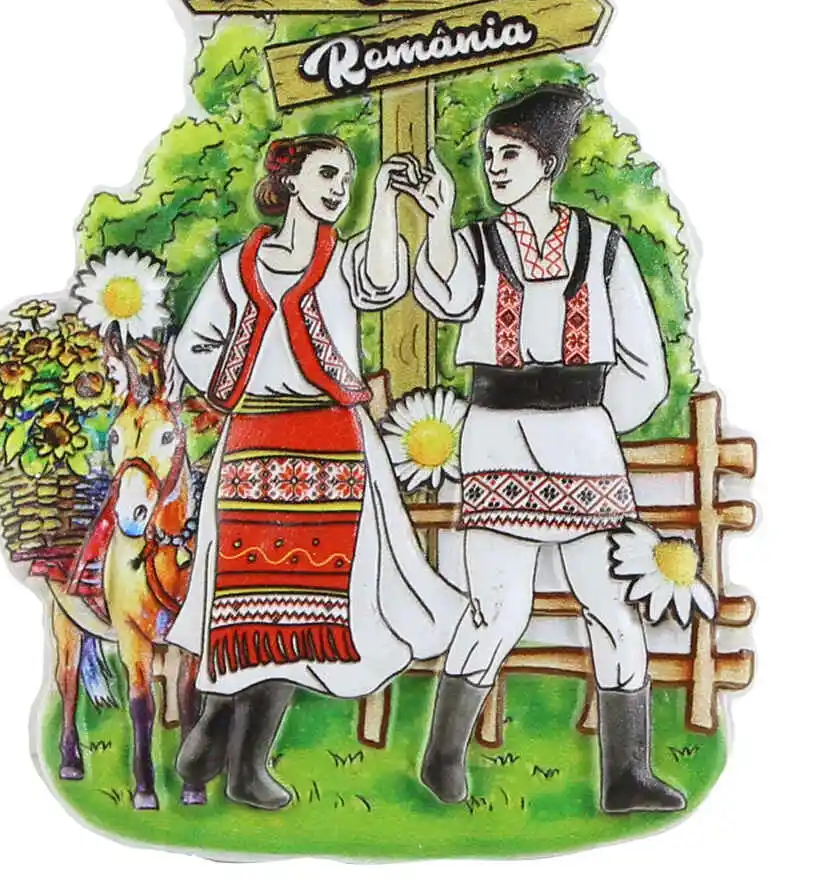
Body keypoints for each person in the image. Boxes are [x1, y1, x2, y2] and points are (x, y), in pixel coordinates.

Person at [406, 85, 686, 813]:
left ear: (548, 162)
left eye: (511, 154)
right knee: (497, 612)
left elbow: (645, 366)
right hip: (497, 437)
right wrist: (437, 219)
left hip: (583, 443)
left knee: (613, 606)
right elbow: (446, 297)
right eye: (489, 156)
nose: (495, 168)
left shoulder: (603, 247)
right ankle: (442, 759)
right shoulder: (476, 243)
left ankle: (627, 774)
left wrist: (591, 422)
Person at [168, 134, 465, 809]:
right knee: (244, 601)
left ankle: (247, 767)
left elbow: (382, 282)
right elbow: (194, 346)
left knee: (307, 607)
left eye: (346, 179)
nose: (337, 188)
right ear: (291, 181)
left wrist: (385, 200)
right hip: (254, 446)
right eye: (327, 174)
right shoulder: (236, 267)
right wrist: (239, 381)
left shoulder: (343, 260)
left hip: (333, 446)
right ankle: (214, 720)